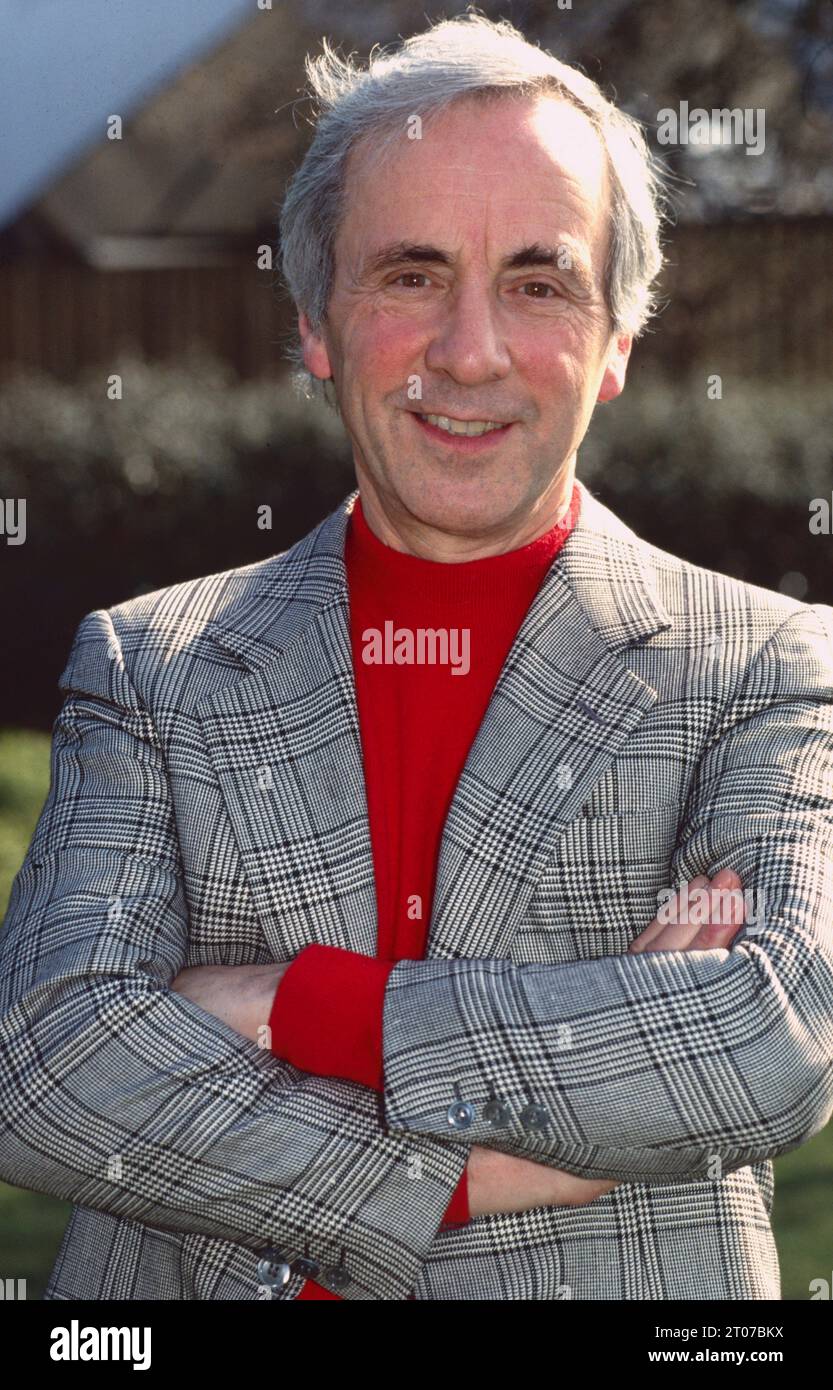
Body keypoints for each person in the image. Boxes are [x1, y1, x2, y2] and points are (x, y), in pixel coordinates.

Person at [1, 11, 832, 1302]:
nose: (469, 349)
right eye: (409, 273)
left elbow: (764, 1041)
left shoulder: (765, 667)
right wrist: (484, 1168)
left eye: (538, 281)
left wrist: (294, 1004)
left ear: (615, 340)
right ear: (318, 324)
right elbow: (48, 1065)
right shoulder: (150, 665)